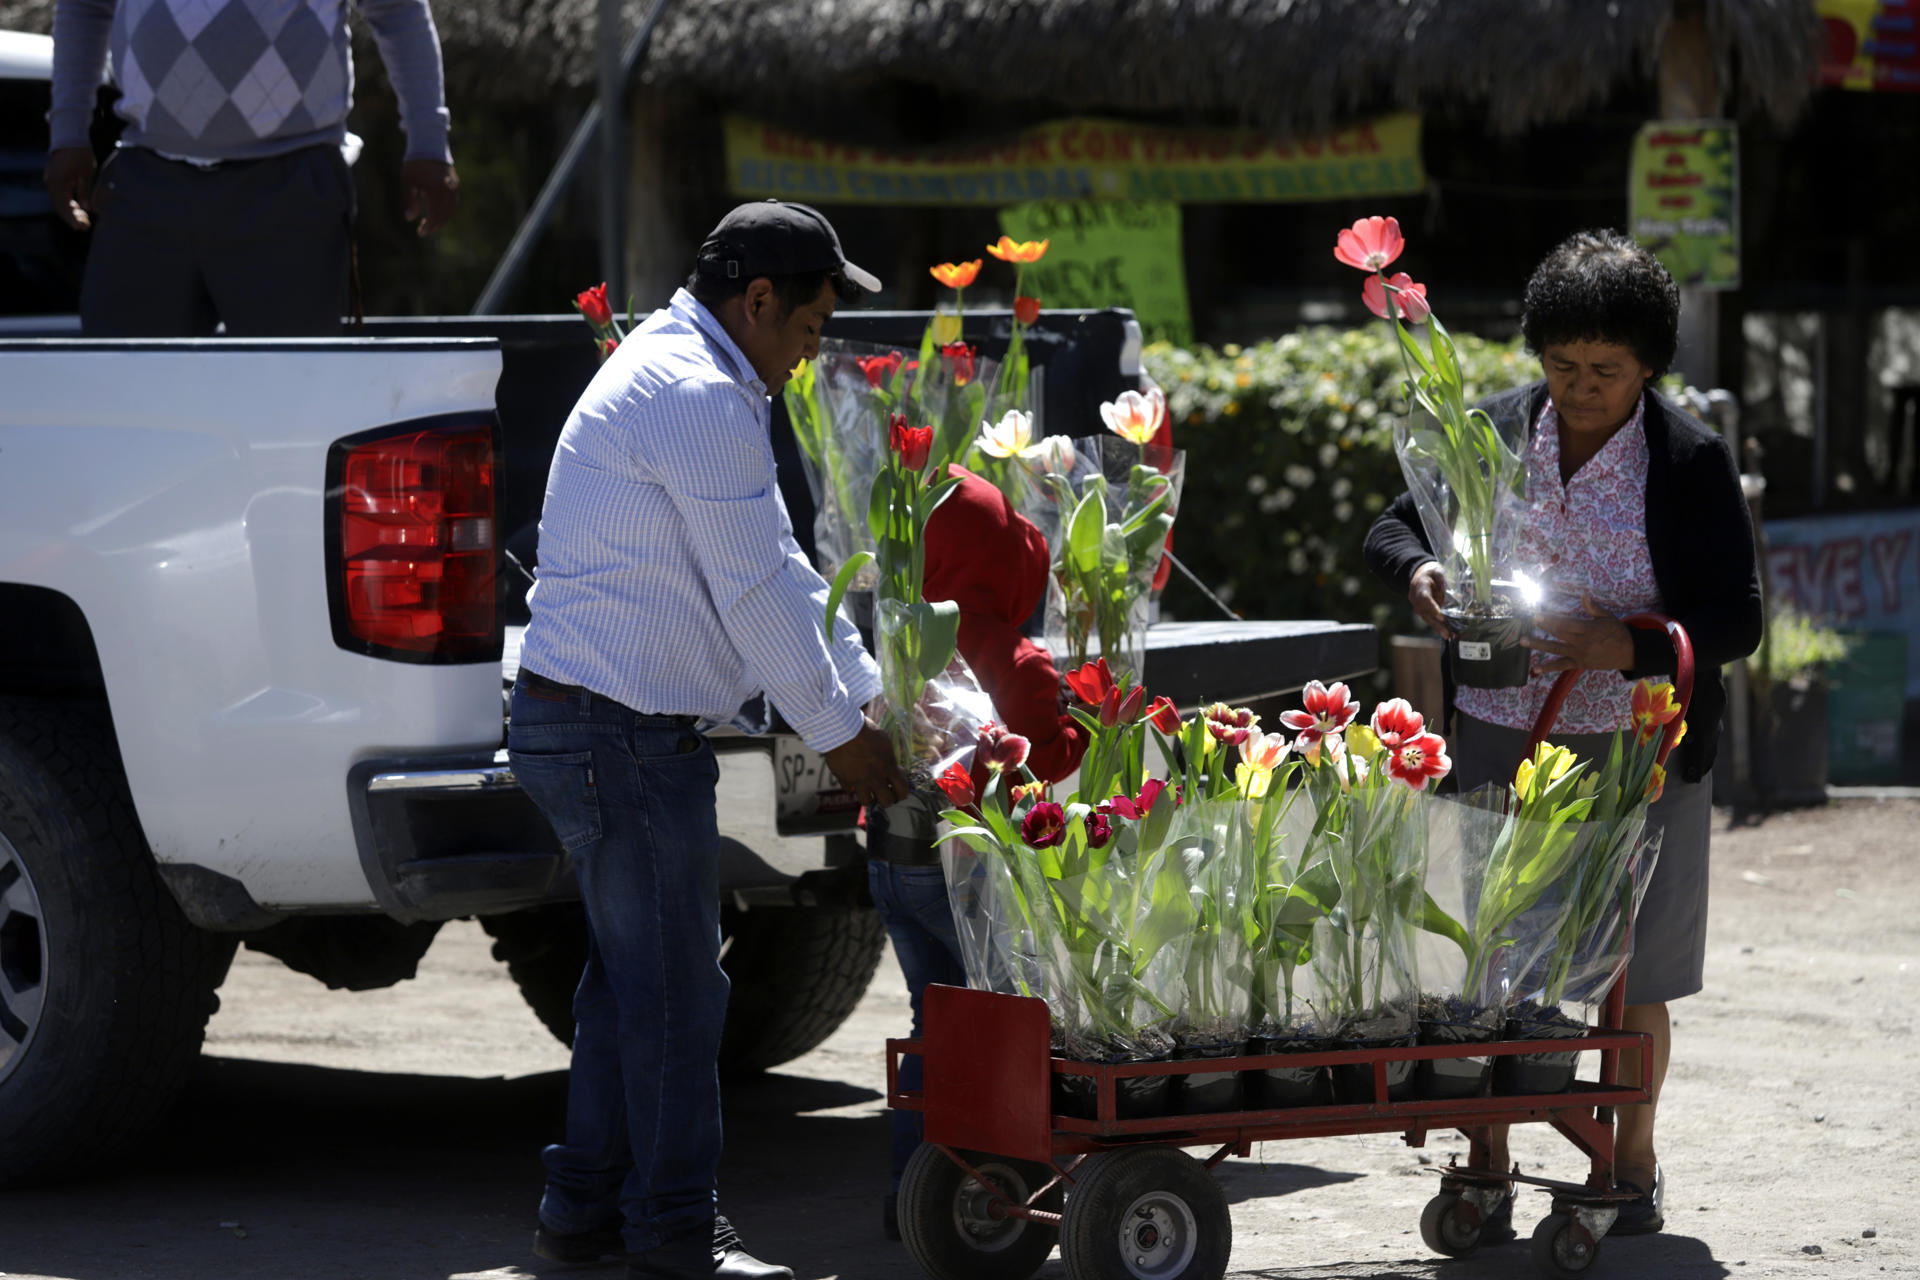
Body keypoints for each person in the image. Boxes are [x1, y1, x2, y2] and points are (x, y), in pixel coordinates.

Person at [509, 200, 907, 1280]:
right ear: (759, 298)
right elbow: (754, 588)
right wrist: (845, 736)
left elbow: (779, 567)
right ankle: (679, 1233)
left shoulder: (696, 369)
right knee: (680, 989)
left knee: (628, 984)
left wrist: (866, 700)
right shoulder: (695, 390)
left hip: (596, 723)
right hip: (613, 731)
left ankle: (578, 1213)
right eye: (812, 326)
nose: (812, 351)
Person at [1363, 228, 1762, 1237]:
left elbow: (1737, 617)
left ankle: (1630, 1162)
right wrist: (1417, 572)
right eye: (1562, 365)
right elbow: (1391, 524)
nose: (1581, 387)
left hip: (1641, 749)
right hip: (1501, 735)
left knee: (1635, 975)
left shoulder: (1689, 460)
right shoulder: (1488, 432)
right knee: (1489, 967)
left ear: (1649, 368)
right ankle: (1485, 1155)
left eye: (1607, 370)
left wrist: (1621, 643)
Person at [865, 465, 1088, 1239]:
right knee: (995, 1028)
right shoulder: (1017, 657)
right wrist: (1086, 724)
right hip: (964, 873)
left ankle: (909, 1190)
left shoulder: (899, 641)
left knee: (932, 1022)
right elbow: (1048, 759)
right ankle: (988, 1182)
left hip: (892, 859)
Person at [45, 0, 460, 336]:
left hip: (290, 186)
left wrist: (427, 140)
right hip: (147, 183)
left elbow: (397, 9)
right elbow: (84, 7)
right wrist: (67, 132)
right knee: (128, 394)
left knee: (292, 399)